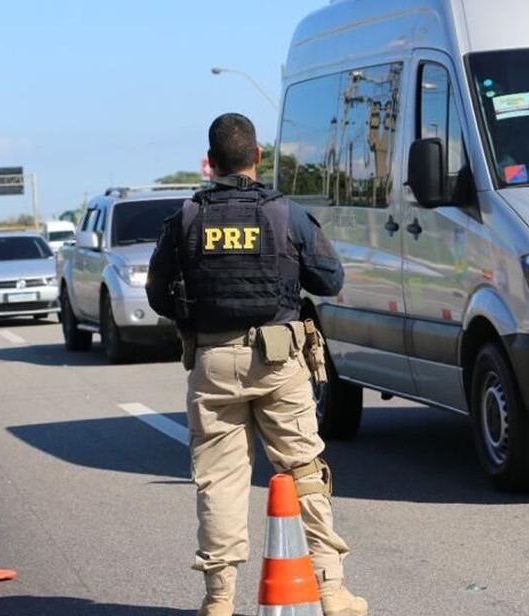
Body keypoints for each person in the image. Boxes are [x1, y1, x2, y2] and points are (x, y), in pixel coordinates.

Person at [146, 113, 367, 616]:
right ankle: (331, 590)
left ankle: (219, 599)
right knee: (303, 468)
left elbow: (158, 294)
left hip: (213, 360)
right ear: (257, 157)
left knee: (219, 480)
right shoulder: (285, 214)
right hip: (279, 359)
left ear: (210, 162)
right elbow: (330, 280)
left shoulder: (185, 218)